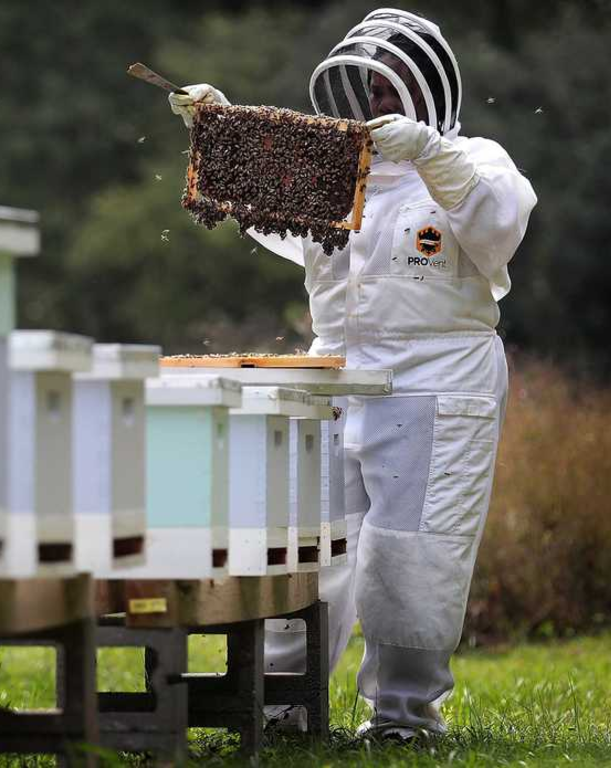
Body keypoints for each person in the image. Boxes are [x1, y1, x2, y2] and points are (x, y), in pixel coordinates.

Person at [168, 8, 536, 741]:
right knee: (304, 549)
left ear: (429, 89)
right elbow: (262, 201)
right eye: (369, 91)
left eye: (390, 89)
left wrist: (434, 152)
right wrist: (220, 129)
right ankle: (279, 707)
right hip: (333, 375)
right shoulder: (340, 174)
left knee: (412, 553)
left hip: (436, 380)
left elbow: (499, 226)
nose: (377, 104)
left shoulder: (478, 162)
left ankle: (404, 717)